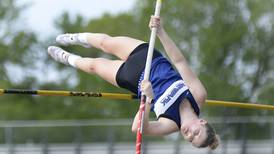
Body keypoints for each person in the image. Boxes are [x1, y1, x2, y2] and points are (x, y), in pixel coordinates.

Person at [47, 15, 220, 150]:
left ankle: (68, 58)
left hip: (133, 79)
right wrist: (161, 32)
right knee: (105, 42)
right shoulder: (198, 95)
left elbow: (137, 127)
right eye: (196, 133)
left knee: (94, 65)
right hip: (149, 57)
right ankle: (76, 37)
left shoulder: (170, 125)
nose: (189, 135)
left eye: (190, 139)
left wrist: (149, 98)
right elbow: (180, 61)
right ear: (202, 122)